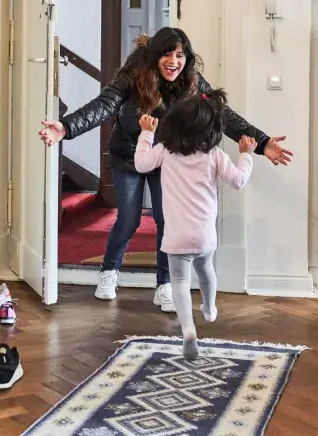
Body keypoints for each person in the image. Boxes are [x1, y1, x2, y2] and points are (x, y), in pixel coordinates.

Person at [39, 28, 292, 311]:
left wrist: (263, 142)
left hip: (166, 158)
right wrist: (67, 127)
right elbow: (103, 106)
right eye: (167, 54)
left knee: (166, 220)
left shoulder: (192, 82)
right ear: (155, 55)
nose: (174, 61)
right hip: (129, 157)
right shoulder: (133, 76)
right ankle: (109, 273)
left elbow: (225, 115)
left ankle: (165, 284)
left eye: (180, 55)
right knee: (129, 219)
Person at [133, 90, 253, 360]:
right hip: (204, 236)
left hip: (175, 236)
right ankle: (209, 308)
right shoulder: (214, 156)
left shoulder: (165, 151)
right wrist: (245, 154)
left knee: (179, 281)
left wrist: (146, 134)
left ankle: (188, 331)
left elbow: (141, 164)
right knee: (206, 270)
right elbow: (238, 181)